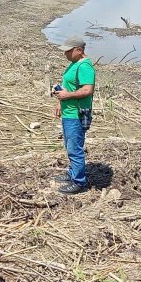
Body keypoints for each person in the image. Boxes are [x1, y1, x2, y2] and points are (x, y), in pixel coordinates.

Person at [52, 36, 95, 195]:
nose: (65, 54)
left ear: (79, 50)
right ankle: (73, 173)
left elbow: (87, 90)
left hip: (76, 114)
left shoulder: (85, 67)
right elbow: (68, 87)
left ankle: (79, 182)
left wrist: (67, 96)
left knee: (74, 148)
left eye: (68, 51)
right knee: (70, 146)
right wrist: (60, 101)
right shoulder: (74, 64)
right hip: (69, 111)